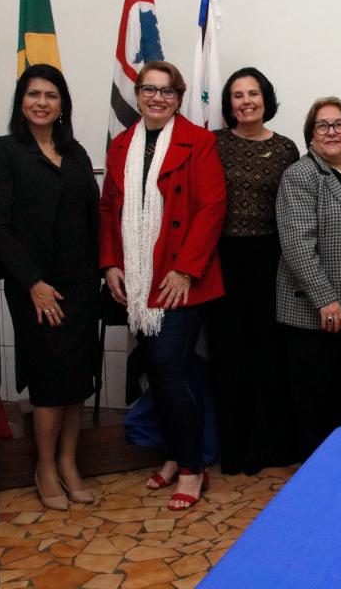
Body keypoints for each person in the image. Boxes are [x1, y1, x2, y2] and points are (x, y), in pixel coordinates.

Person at [100, 61, 226, 510]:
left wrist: (186, 269)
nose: (157, 98)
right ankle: (175, 454)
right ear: (137, 95)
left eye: (167, 91)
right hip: (138, 279)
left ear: (179, 98)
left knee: (170, 370)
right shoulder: (121, 145)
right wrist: (110, 263)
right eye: (149, 89)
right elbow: (108, 208)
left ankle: (192, 467)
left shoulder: (199, 141)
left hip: (180, 280)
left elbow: (212, 207)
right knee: (161, 372)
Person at [0, 64, 100, 509]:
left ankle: (69, 462)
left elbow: (91, 219)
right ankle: (45, 467)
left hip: (81, 286)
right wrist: (33, 282)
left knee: (78, 378)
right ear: (21, 102)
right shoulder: (5, 151)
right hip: (36, 288)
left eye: (51, 95)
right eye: (34, 94)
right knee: (51, 380)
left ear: (62, 104)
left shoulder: (75, 153)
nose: (42, 103)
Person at [276, 97, 341, 458]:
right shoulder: (301, 175)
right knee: (315, 398)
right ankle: (315, 469)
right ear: (310, 135)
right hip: (317, 309)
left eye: (339, 125)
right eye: (322, 125)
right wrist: (325, 299)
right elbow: (297, 244)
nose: (332, 132)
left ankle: (339, 463)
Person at [209, 67, 300, 475]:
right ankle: (234, 450)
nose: (246, 102)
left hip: (271, 260)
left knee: (269, 357)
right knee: (229, 355)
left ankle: (270, 447)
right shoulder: (213, 144)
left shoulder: (285, 148)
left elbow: (298, 202)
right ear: (229, 104)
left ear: (266, 99)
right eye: (238, 95)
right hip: (222, 260)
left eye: (253, 94)